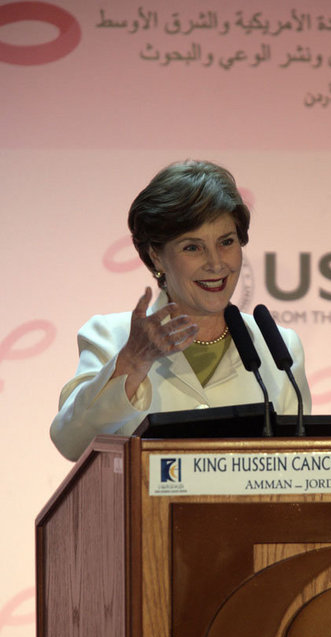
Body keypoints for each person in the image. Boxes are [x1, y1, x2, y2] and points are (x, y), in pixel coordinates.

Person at [50, 160, 311, 461]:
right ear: (156, 256)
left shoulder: (280, 348)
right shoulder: (111, 337)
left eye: (226, 242)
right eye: (192, 247)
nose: (216, 263)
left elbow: (298, 466)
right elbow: (70, 441)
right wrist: (134, 361)